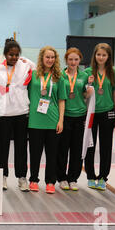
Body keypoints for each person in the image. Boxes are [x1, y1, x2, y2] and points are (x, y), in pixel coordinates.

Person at [0, 38, 33, 191]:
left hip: (21, 112)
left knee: (21, 147)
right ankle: (2, 176)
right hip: (3, 113)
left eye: (17, 55)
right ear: (5, 54)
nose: (14, 58)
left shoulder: (25, 67)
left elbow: (36, 67)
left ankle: (22, 177)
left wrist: (25, 59)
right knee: (2, 147)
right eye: (11, 55)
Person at [28, 46, 66, 194]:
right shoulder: (33, 75)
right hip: (35, 120)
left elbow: (62, 100)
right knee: (35, 153)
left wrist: (61, 120)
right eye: (47, 57)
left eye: (52, 57)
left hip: (52, 120)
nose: (50, 60)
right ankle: (33, 180)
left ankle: (50, 181)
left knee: (52, 154)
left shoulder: (59, 77)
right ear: (42, 58)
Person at [56, 48, 93, 192]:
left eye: (76, 59)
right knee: (62, 149)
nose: (73, 62)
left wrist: (88, 92)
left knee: (77, 149)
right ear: (66, 60)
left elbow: (84, 94)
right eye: (70, 59)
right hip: (65, 116)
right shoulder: (60, 75)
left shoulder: (84, 76)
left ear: (80, 60)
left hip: (80, 116)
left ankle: (73, 178)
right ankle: (62, 178)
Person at [84, 43, 115, 191]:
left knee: (106, 146)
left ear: (108, 57)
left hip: (107, 112)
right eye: (98, 54)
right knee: (90, 145)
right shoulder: (87, 72)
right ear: (95, 55)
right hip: (91, 113)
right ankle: (90, 176)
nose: (101, 57)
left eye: (104, 55)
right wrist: (89, 85)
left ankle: (103, 177)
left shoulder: (114, 73)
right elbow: (84, 94)